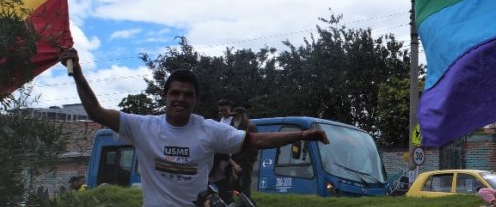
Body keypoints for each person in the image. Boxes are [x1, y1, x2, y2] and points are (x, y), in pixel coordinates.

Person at [60, 48, 329, 207]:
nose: (180, 99)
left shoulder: (209, 130)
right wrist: (78, 73)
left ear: (195, 100)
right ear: (165, 96)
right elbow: (96, 111)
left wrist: (304, 135)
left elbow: (256, 140)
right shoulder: (142, 127)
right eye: (175, 93)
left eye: (187, 94)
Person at [231, 106, 259, 198]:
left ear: (242, 115)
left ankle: (246, 201)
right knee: (234, 183)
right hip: (234, 160)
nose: (235, 117)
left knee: (245, 183)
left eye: (237, 115)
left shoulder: (250, 126)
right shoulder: (232, 125)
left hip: (246, 160)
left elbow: (255, 144)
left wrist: (249, 159)